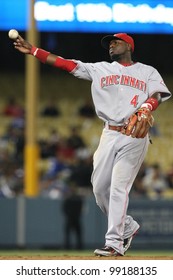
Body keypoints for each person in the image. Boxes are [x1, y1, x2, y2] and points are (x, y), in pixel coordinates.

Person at [12, 32, 171, 256]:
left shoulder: (147, 71)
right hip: (109, 133)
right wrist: (34, 51)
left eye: (116, 42)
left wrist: (147, 107)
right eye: (110, 44)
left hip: (134, 134)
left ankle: (114, 242)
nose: (111, 46)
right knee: (99, 189)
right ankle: (126, 225)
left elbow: (156, 93)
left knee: (118, 186)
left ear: (128, 46)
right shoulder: (99, 69)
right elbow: (65, 64)